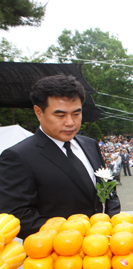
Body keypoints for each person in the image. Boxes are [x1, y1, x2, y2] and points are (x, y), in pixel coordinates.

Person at [0, 74, 121, 239]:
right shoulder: (18, 157)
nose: (70, 122)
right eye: (60, 115)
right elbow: (18, 216)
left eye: (76, 114)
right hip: (58, 257)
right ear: (38, 112)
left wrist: (111, 224)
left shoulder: (90, 144)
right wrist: (75, 235)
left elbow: (109, 191)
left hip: (102, 249)